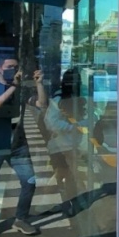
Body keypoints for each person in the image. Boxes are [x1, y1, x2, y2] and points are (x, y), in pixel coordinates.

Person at [0, 56, 41, 236]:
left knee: (29, 182)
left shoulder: (20, 90)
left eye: (16, 67)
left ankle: (21, 218)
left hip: (18, 146)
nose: (13, 71)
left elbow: (41, 104)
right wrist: (14, 85)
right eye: (9, 67)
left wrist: (39, 84)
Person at [40, 68, 87, 217]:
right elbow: (50, 121)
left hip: (74, 144)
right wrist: (71, 127)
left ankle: (64, 204)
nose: (74, 83)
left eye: (77, 80)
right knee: (69, 176)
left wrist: (81, 125)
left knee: (66, 176)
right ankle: (67, 204)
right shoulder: (59, 99)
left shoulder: (79, 97)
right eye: (71, 80)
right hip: (61, 145)